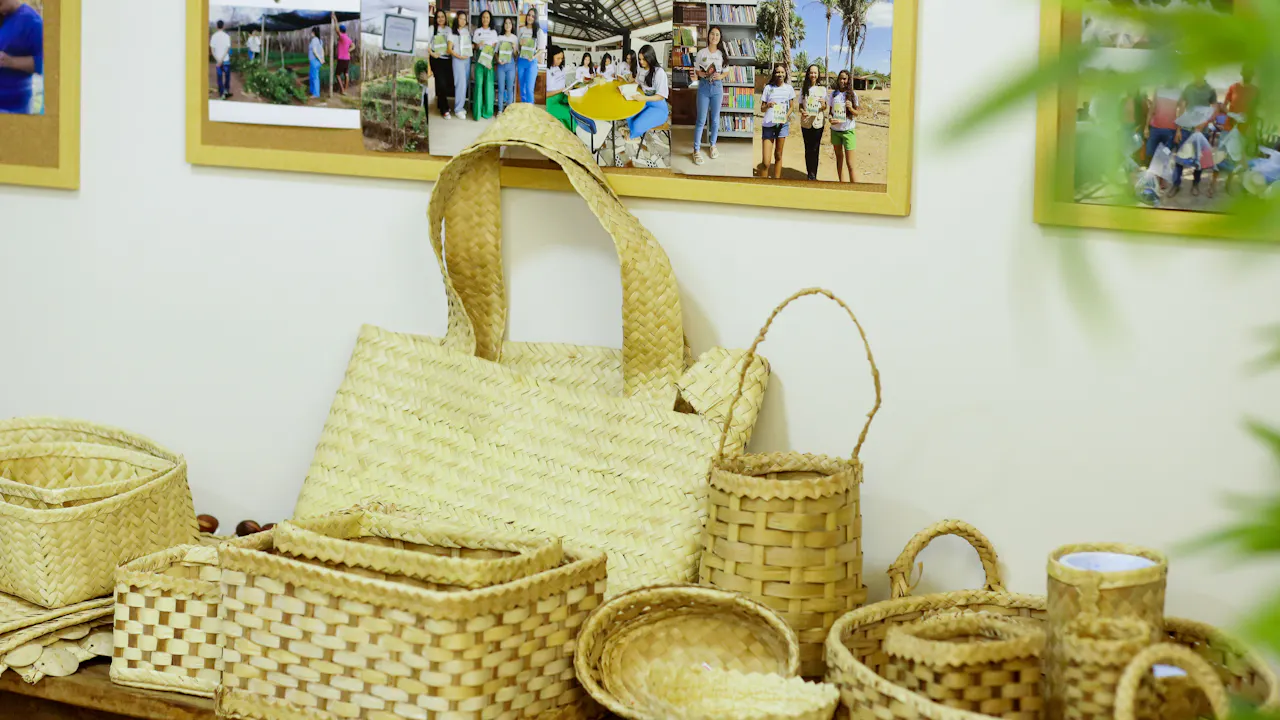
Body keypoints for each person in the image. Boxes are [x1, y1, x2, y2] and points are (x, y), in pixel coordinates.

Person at [624, 44, 669, 165]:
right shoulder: (641, 70)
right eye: (639, 59)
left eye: (643, 59)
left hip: (658, 107)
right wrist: (627, 84)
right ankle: (633, 131)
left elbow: (661, 96)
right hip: (645, 102)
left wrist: (642, 97)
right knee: (628, 112)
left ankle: (634, 134)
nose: (641, 62)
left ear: (650, 58)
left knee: (637, 124)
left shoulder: (659, 73)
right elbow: (637, 82)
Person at [691, 27, 728, 165]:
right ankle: (696, 150)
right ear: (708, 36)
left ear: (720, 37)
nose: (714, 36)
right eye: (712, 33)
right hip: (704, 88)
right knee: (701, 120)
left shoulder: (722, 54)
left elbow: (726, 72)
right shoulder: (701, 53)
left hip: (717, 87)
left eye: (717, 34)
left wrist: (720, 75)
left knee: (715, 119)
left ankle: (713, 146)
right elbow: (697, 72)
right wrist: (704, 74)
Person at [1177, 74, 1217, 196]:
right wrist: (1178, 128)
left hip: (1202, 130)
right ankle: (1176, 184)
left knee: (1199, 159)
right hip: (1186, 129)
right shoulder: (1188, 88)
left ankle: (1195, 185)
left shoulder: (1210, 90)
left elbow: (1214, 109)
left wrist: (1204, 123)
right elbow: (1182, 107)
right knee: (1180, 158)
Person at [759, 62, 794, 178]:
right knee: (766, 162)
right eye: (777, 72)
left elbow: (792, 107)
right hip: (768, 125)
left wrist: (786, 116)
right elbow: (762, 108)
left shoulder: (789, 89)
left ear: (785, 74)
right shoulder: (768, 88)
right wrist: (768, 105)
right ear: (774, 74)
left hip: (782, 125)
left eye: (782, 72)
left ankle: (776, 181)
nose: (780, 74)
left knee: (778, 155)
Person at [1144, 86, 1182, 192]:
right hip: (1155, 128)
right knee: (1151, 154)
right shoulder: (1158, 89)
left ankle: (1161, 179)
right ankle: (1154, 177)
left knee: (1165, 155)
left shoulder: (1179, 91)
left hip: (1171, 130)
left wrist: (1178, 130)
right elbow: (1152, 108)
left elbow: (1180, 111)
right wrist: (1147, 127)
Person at [828, 69, 859, 183]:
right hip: (835, 131)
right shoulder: (833, 94)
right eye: (840, 78)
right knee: (839, 160)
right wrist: (830, 119)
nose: (842, 81)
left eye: (844, 79)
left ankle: (855, 189)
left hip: (848, 131)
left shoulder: (852, 94)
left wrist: (850, 108)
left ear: (848, 80)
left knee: (850, 164)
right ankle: (842, 185)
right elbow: (830, 112)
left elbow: (857, 113)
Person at [798, 63, 824, 179]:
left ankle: (814, 174)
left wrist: (823, 105)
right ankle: (809, 174)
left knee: (816, 148)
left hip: (818, 123)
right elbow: (800, 106)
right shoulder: (803, 89)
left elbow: (825, 107)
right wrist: (803, 111)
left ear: (818, 75)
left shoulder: (822, 90)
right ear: (808, 74)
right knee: (808, 149)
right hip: (806, 123)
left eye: (815, 72)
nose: (813, 75)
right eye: (811, 72)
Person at [428, 10, 454, 118]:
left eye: (442, 16)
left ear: (445, 18)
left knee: (446, 84)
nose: (440, 19)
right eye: (438, 17)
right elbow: (427, 44)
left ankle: (440, 103)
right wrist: (432, 54)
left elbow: (451, 43)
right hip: (436, 60)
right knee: (441, 83)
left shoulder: (449, 30)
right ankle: (444, 109)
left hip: (447, 60)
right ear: (435, 18)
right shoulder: (431, 29)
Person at [472, 10, 497, 120]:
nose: (485, 19)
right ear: (481, 19)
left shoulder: (493, 32)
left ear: (490, 19)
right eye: (483, 17)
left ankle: (487, 112)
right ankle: (477, 113)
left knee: (489, 86)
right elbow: (475, 47)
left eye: (487, 17)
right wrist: (478, 45)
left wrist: (489, 61)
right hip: (479, 59)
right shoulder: (477, 31)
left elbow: (494, 48)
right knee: (478, 85)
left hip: (489, 60)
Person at [516, 6, 544, 104]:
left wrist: (533, 57)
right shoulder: (521, 30)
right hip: (521, 61)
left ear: (535, 18)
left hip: (531, 62)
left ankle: (530, 111)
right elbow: (517, 46)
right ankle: (524, 108)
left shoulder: (539, 32)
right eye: (529, 15)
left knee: (529, 88)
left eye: (533, 16)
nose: (530, 17)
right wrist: (520, 43)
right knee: (522, 88)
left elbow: (541, 49)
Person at [544, 45, 574, 132]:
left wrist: (568, 88)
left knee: (575, 107)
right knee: (568, 113)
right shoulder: (547, 71)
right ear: (551, 57)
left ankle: (570, 130)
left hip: (562, 96)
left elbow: (561, 84)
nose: (560, 61)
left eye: (562, 58)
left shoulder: (560, 68)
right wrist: (560, 90)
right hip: (550, 101)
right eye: (558, 58)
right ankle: (571, 133)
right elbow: (545, 95)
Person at [449, 12, 472, 119]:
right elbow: (449, 49)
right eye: (460, 18)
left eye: (464, 19)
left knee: (465, 83)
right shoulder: (452, 32)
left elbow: (468, 45)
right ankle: (458, 109)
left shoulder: (467, 31)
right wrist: (458, 56)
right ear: (457, 19)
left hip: (467, 60)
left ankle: (461, 107)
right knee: (460, 84)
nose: (462, 21)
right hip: (458, 60)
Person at [495, 17, 518, 114]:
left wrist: (514, 48)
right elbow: (495, 52)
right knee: (500, 88)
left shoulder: (515, 38)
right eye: (506, 23)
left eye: (510, 23)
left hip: (511, 65)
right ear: (503, 25)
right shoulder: (500, 38)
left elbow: (516, 55)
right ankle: (500, 110)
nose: (508, 25)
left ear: (512, 26)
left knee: (509, 88)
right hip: (501, 66)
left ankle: (508, 111)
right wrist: (498, 60)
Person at [1224, 65, 1257, 132]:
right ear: (1242, 73)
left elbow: (1257, 110)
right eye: (1246, 73)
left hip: (1245, 129)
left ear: (1252, 75)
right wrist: (1232, 115)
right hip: (1230, 126)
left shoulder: (1255, 91)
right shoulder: (1233, 87)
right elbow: (1223, 106)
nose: (1247, 75)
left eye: (1250, 73)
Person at [209, 19, 232, 101]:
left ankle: (222, 94)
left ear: (216, 26)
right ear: (223, 26)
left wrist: (218, 60)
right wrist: (222, 59)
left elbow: (212, 50)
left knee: (219, 78)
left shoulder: (214, 36)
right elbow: (227, 49)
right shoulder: (227, 36)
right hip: (226, 61)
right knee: (227, 77)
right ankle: (226, 91)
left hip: (218, 62)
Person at [335, 24, 354, 95]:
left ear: (340, 30)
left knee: (337, 74)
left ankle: (342, 90)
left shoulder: (342, 36)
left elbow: (336, 30)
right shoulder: (348, 38)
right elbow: (353, 46)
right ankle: (345, 90)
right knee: (346, 74)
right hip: (347, 59)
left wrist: (334, 19)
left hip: (342, 59)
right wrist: (348, 50)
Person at [308, 27, 324, 99]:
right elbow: (322, 50)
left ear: (314, 32)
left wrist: (320, 59)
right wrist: (322, 58)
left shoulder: (314, 40)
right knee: (312, 76)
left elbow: (314, 51)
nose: (311, 33)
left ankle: (316, 94)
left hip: (315, 61)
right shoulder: (320, 40)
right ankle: (312, 91)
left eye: (311, 32)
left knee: (314, 77)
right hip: (315, 61)